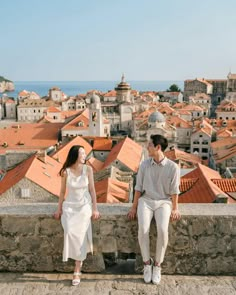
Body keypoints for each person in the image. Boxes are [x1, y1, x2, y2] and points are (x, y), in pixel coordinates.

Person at [128, 134, 181, 285]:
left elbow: (175, 191)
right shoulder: (144, 165)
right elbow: (138, 188)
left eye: (149, 145)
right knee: (143, 229)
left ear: (158, 147)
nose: (147, 147)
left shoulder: (173, 167)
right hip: (146, 200)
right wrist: (133, 207)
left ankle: (157, 265)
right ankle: (146, 264)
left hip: (164, 202)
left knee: (163, 230)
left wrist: (175, 208)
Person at [54, 145, 100, 286]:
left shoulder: (88, 169)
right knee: (68, 231)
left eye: (85, 152)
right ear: (75, 155)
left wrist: (95, 209)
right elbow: (62, 192)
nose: (84, 155)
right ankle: (75, 262)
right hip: (70, 206)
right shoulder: (66, 172)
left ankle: (77, 269)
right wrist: (59, 209)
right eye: (81, 153)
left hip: (84, 206)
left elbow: (92, 190)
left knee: (80, 235)